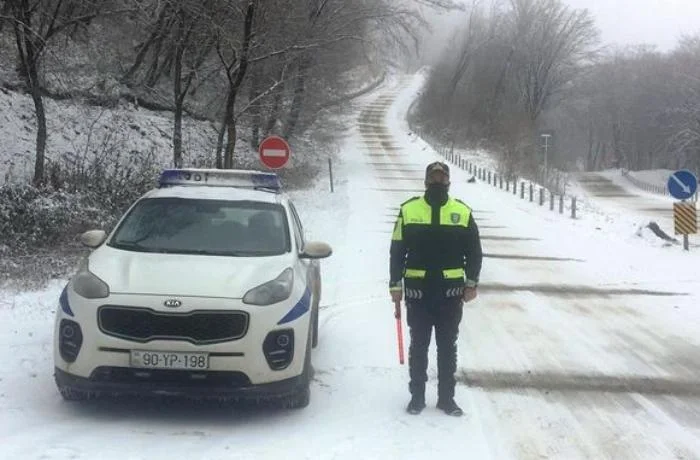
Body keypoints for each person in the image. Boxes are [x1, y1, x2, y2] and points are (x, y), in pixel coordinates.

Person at [389, 161, 483, 416]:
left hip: (450, 294)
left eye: (442, 178)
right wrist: (395, 285)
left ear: (449, 181)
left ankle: (446, 399)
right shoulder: (409, 211)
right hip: (418, 293)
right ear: (426, 181)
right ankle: (417, 398)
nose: (438, 181)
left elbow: (475, 252)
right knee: (418, 346)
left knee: (447, 347)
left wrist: (471, 283)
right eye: (434, 177)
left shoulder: (462, 212)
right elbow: (397, 250)